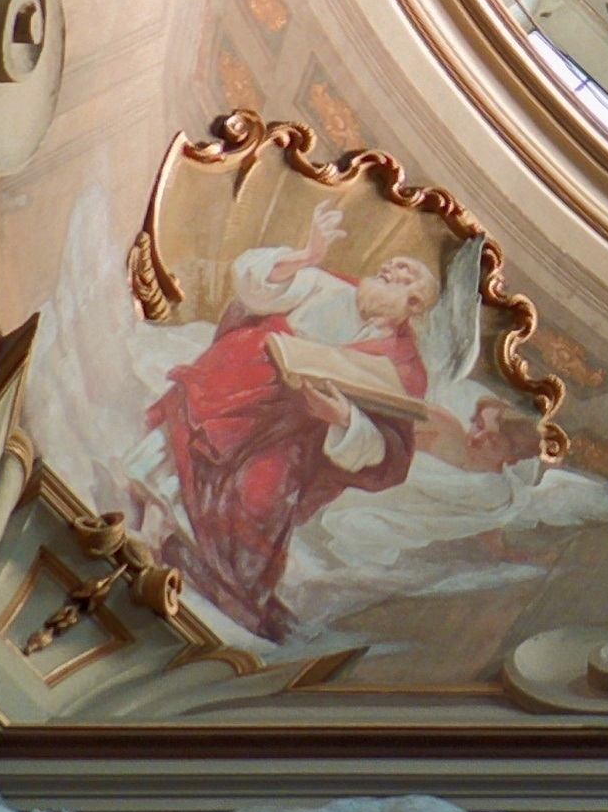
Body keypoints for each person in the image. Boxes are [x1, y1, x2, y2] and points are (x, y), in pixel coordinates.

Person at [142, 245, 460, 641]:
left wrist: (343, 419)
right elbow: (256, 288)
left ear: (414, 302)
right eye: (390, 266)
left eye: (405, 273)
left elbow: (390, 449)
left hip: (299, 432)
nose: (391, 267)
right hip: (242, 382)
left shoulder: (406, 369)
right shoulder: (326, 284)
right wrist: (304, 254)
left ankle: (223, 578)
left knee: (264, 492)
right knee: (211, 430)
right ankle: (161, 515)